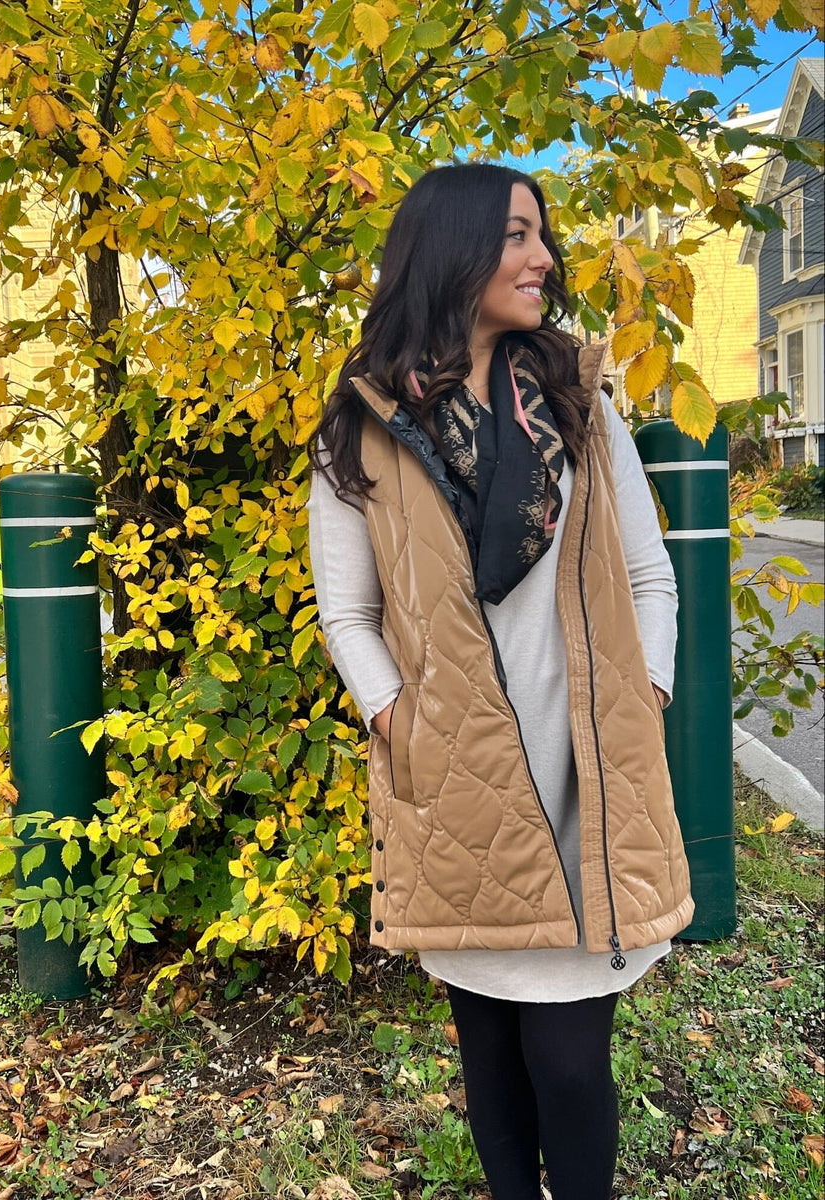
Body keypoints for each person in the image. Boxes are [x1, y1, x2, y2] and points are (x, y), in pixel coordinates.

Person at [306, 163, 693, 1200]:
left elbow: (651, 573)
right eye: (517, 236)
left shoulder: (577, 402)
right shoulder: (364, 427)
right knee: (488, 1054)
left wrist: (641, 688)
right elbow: (346, 613)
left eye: (542, 236)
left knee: (568, 1063)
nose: (542, 258)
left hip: (587, 775)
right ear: (455, 250)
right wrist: (401, 716)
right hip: (460, 783)